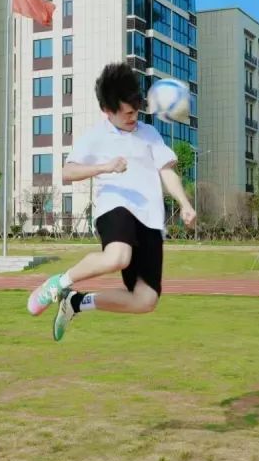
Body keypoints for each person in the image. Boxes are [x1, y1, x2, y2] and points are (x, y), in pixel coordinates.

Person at [26, 62, 196, 341]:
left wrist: (185, 204)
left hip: (150, 221)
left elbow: (167, 171)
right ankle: (58, 283)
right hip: (115, 207)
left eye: (136, 110)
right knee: (118, 256)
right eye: (127, 113)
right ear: (108, 111)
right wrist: (104, 167)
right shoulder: (96, 136)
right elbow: (68, 172)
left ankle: (75, 303)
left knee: (146, 300)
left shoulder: (150, 134)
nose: (134, 117)